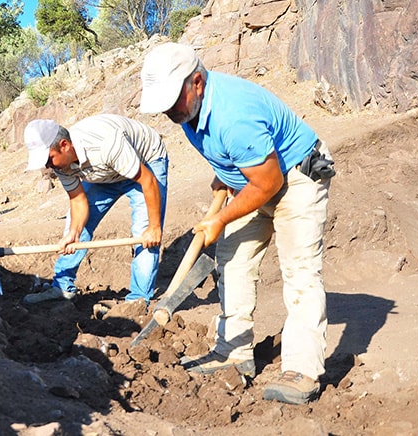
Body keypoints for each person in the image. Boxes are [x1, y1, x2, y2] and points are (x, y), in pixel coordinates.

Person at [139, 42, 335, 405]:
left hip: (296, 178)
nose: (168, 111)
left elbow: (269, 182)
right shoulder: (189, 110)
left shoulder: (233, 114)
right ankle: (233, 350)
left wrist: (219, 218)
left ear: (197, 82)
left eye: (172, 101)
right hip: (257, 181)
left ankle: (302, 370)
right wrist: (225, 176)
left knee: (300, 272)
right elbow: (232, 154)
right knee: (231, 258)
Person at [21, 114, 168, 305]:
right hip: (105, 172)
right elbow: (78, 200)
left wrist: (155, 227)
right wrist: (74, 233)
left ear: (64, 145)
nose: (47, 166)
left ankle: (137, 301)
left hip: (145, 162)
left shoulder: (106, 143)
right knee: (75, 226)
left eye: (49, 159)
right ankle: (62, 286)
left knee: (145, 233)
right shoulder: (60, 165)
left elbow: (148, 181)